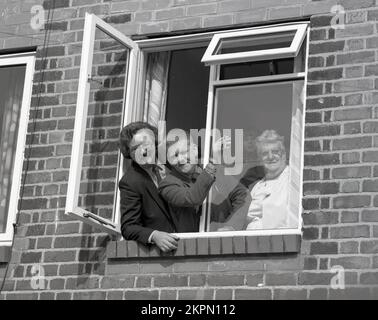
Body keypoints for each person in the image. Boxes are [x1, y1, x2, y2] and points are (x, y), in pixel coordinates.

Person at [118, 122, 179, 252]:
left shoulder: (169, 168)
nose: (144, 151)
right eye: (136, 148)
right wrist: (154, 235)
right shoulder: (130, 182)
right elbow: (128, 227)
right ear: (129, 153)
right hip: (160, 256)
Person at [158, 134, 230, 232]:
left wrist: (232, 225)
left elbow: (241, 195)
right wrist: (213, 160)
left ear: (195, 150)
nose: (180, 159)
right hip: (192, 244)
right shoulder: (167, 185)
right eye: (174, 156)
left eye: (183, 152)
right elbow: (193, 198)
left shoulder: (208, 169)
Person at [246, 129, 292, 230]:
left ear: (284, 154)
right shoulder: (257, 187)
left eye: (275, 152)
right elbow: (248, 219)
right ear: (260, 158)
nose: (270, 157)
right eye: (265, 153)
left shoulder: (292, 181)